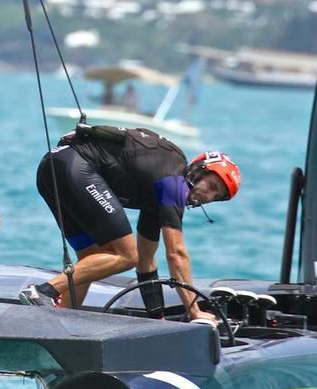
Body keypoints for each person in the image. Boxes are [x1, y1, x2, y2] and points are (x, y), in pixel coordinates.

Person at [22, 125, 240, 320]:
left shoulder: (158, 193)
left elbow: (146, 263)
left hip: (54, 167)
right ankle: (43, 292)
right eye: (211, 187)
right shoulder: (173, 182)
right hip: (75, 167)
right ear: (199, 169)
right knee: (126, 256)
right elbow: (176, 253)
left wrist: (157, 318)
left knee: (92, 261)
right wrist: (194, 311)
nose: (208, 197)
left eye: (216, 197)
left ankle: (58, 321)